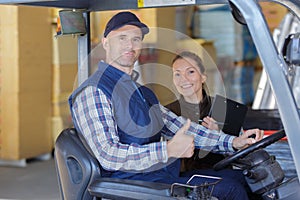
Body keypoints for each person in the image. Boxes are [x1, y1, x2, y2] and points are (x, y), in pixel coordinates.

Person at [68, 11, 263, 200]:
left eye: (136, 39)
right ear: (105, 43)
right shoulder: (94, 92)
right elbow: (108, 154)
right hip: (133, 188)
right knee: (230, 190)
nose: (130, 45)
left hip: (158, 178)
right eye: (122, 38)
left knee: (243, 178)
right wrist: (168, 150)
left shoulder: (142, 93)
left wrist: (232, 142)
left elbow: (179, 127)